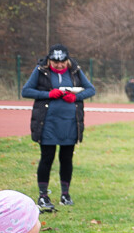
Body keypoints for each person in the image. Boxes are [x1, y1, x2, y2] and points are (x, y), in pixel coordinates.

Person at [20, 43, 97, 211]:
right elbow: (26, 91)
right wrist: (48, 94)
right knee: (47, 158)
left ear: (67, 60)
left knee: (66, 159)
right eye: (55, 63)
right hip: (47, 123)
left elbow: (91, 90)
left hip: (70, 123)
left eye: (62, 62)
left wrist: (75, 97)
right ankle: (43, 196)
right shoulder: (41, 70)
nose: (59, 65)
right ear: (49, 61)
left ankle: (65, 194)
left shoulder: (75, 70)